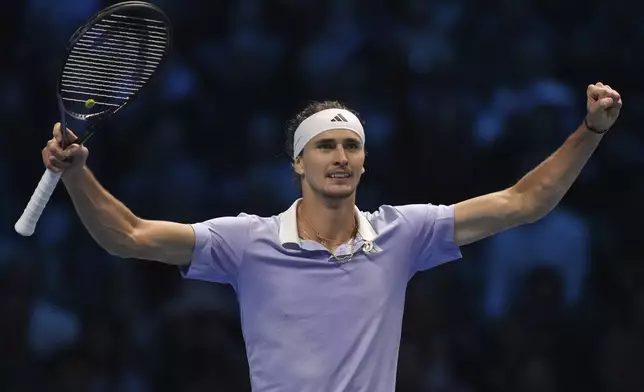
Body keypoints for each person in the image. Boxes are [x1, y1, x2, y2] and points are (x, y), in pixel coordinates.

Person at [42, 82, 622, 392]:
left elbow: (524, 202)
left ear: (364, 163)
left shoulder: (404, 233)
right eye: (325, 145)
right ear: (298, 162)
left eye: (351, 146)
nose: (340, 157)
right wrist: (76, 173)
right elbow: (129, 234)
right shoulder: (245, 243)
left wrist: (590, 131)